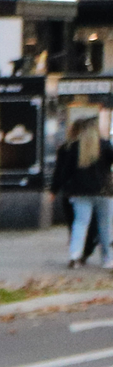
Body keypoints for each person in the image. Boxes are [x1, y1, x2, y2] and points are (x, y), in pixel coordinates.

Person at [54, 110, 113, 267]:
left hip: (79, 192)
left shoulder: (74, 147)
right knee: (105, 226)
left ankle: (75, 256)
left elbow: (65, 171)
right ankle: (107, 259)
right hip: (103, 191)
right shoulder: (105, 145)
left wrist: (59, 188)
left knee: (80, 224)